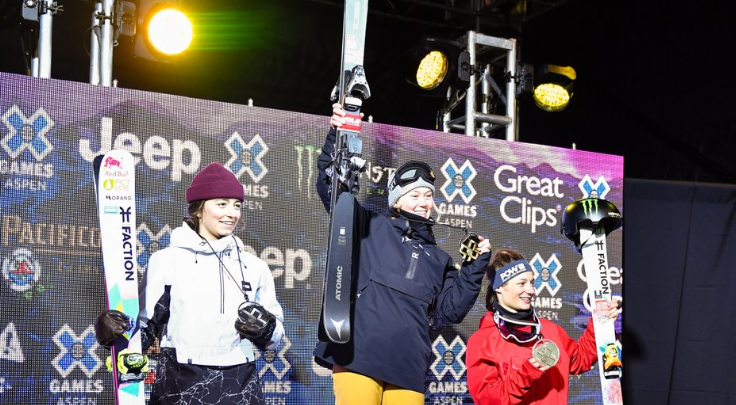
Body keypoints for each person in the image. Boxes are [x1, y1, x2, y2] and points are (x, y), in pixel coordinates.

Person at [313, 104, 493, 405]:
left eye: (429, 195)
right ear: (396, 202)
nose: (424, 202)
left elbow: (450, 311)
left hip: (409, 366)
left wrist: (474, 268)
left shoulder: (439, 259)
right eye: (415, 195)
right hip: (358, 354)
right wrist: (338, 133)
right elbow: (332, 186)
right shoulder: (368, 225)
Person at [94, 162, 285, 405]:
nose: (232, 213)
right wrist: (112, 333)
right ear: (198, 209)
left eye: (237, 205)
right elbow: (142, 331)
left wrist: (268, 328)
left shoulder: (254, 267)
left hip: (240, 385)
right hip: (181, 382)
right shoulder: (166, 261)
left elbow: (275, 338)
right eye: (222, 203)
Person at [466, 248, 621, 405]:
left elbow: (579, 360)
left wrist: (599, 324)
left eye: (532, 282)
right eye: (521, 283)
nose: (531, 290)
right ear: (499, 287)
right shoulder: (482, 341)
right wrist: (525, 375)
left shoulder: (550, 330)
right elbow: (487, 400)